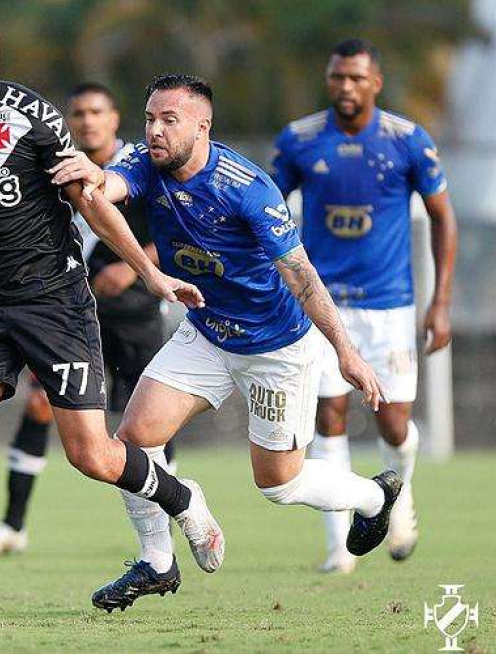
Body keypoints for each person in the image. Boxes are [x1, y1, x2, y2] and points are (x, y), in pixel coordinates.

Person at [0, 8, 215, 626]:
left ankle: (182, 497)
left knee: (92, 455)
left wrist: (149, 273)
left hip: (55, 305)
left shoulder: (31, 116)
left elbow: (89, 201)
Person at [49, 73, 397, 613]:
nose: (155, 130)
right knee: (134, 438)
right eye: (150, 118)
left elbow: (302, 276)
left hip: (275, 347)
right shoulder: (144, 161)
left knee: (278, 484)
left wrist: (346, 352)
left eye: (170, 120)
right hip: (207, 332)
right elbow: (109, 187)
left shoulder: (248, 188)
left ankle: (375, 496)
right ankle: (157, 562)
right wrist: (95, 176)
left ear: (202, 127)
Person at [270, 39, 458, 574]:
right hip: (321, 306)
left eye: (356, 77)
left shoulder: (407, 141)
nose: (345, 86)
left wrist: (441, 302)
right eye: (337, 77)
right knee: (328, 415)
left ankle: (400, 494)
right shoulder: (300, 140)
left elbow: (443, 217)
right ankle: (340, 546)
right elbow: (266, 212)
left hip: (389, 308)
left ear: (376, 82)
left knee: (393, 424)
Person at [0, 83, 175, 560]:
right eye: (78, 113)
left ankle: (169, 525)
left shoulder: (139, 166)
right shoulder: (52, 164)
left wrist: (134, 267)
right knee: (39, 403)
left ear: (115, 118)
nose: (87, 121)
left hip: (137, 314)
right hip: (70, 314)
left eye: (96, 112)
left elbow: (177, 229)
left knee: (151, 425)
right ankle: (12, 525)